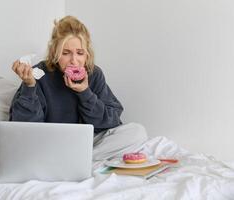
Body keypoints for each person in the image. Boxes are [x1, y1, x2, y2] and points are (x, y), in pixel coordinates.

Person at [9, 16, 147, 161]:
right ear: (54, 52)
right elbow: (25, 128)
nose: (74, 61)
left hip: (87, 144)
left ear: (87, 54)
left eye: (80, 53)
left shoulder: (94, 74)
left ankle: (77, 159)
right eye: (66, 53)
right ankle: (74, 159)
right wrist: (29, 86)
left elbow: (111, 121)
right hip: (52, 144)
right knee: (30, 147)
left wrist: (85, 93)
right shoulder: (38, 74)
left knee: (137, 132)